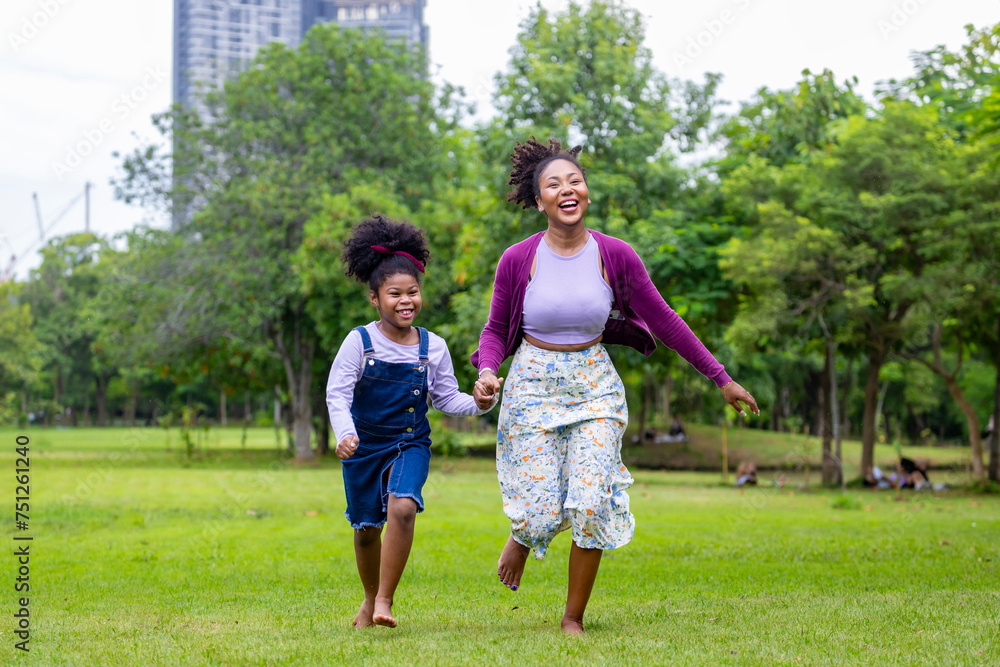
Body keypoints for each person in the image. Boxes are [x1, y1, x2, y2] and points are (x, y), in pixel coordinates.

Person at [472, 138, 758, 634]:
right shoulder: (518, 259)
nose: (567, 189)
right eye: (553, 184)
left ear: (587, 192)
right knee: (539, 512)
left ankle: (572, 619)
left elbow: (664, 320)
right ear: (539, 201)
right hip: (532, 384)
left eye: (574, 180)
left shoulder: (615, 255)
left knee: (589, 498)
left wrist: (721, 377)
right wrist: (487, 371)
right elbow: (497, 330)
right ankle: (524, 534)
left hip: (594, 387)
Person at [327, 215, 496, 629]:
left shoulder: (431, 346)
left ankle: (385, 601)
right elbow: (337, 394)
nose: (406, 301)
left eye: (413, 292)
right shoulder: (359, 343)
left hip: (409, 443)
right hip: (363, 446)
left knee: (403, 507)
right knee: (367, 528)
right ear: (375, 298)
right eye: (394, 294)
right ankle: (369, 601)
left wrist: (480, 402)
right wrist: (345, 434)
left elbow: (446, 398)